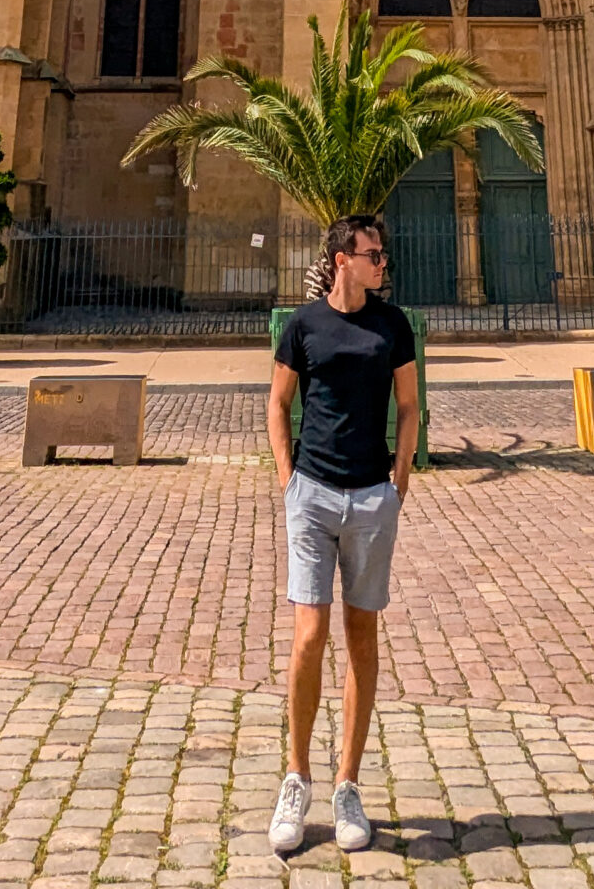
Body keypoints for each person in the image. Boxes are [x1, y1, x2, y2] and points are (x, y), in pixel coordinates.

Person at [266, 213, 418, 858]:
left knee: (362, 633)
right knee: (308, 634)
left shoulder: (393, 324)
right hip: (313, 493)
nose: (384, 263)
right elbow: (277, 402)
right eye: (374, 255)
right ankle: (295, 777)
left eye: (382, 255)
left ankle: (347, 784)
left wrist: (399, 482)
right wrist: (287, 480)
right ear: (341, 259)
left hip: (371, 494)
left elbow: (410, 406)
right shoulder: (303, 325)